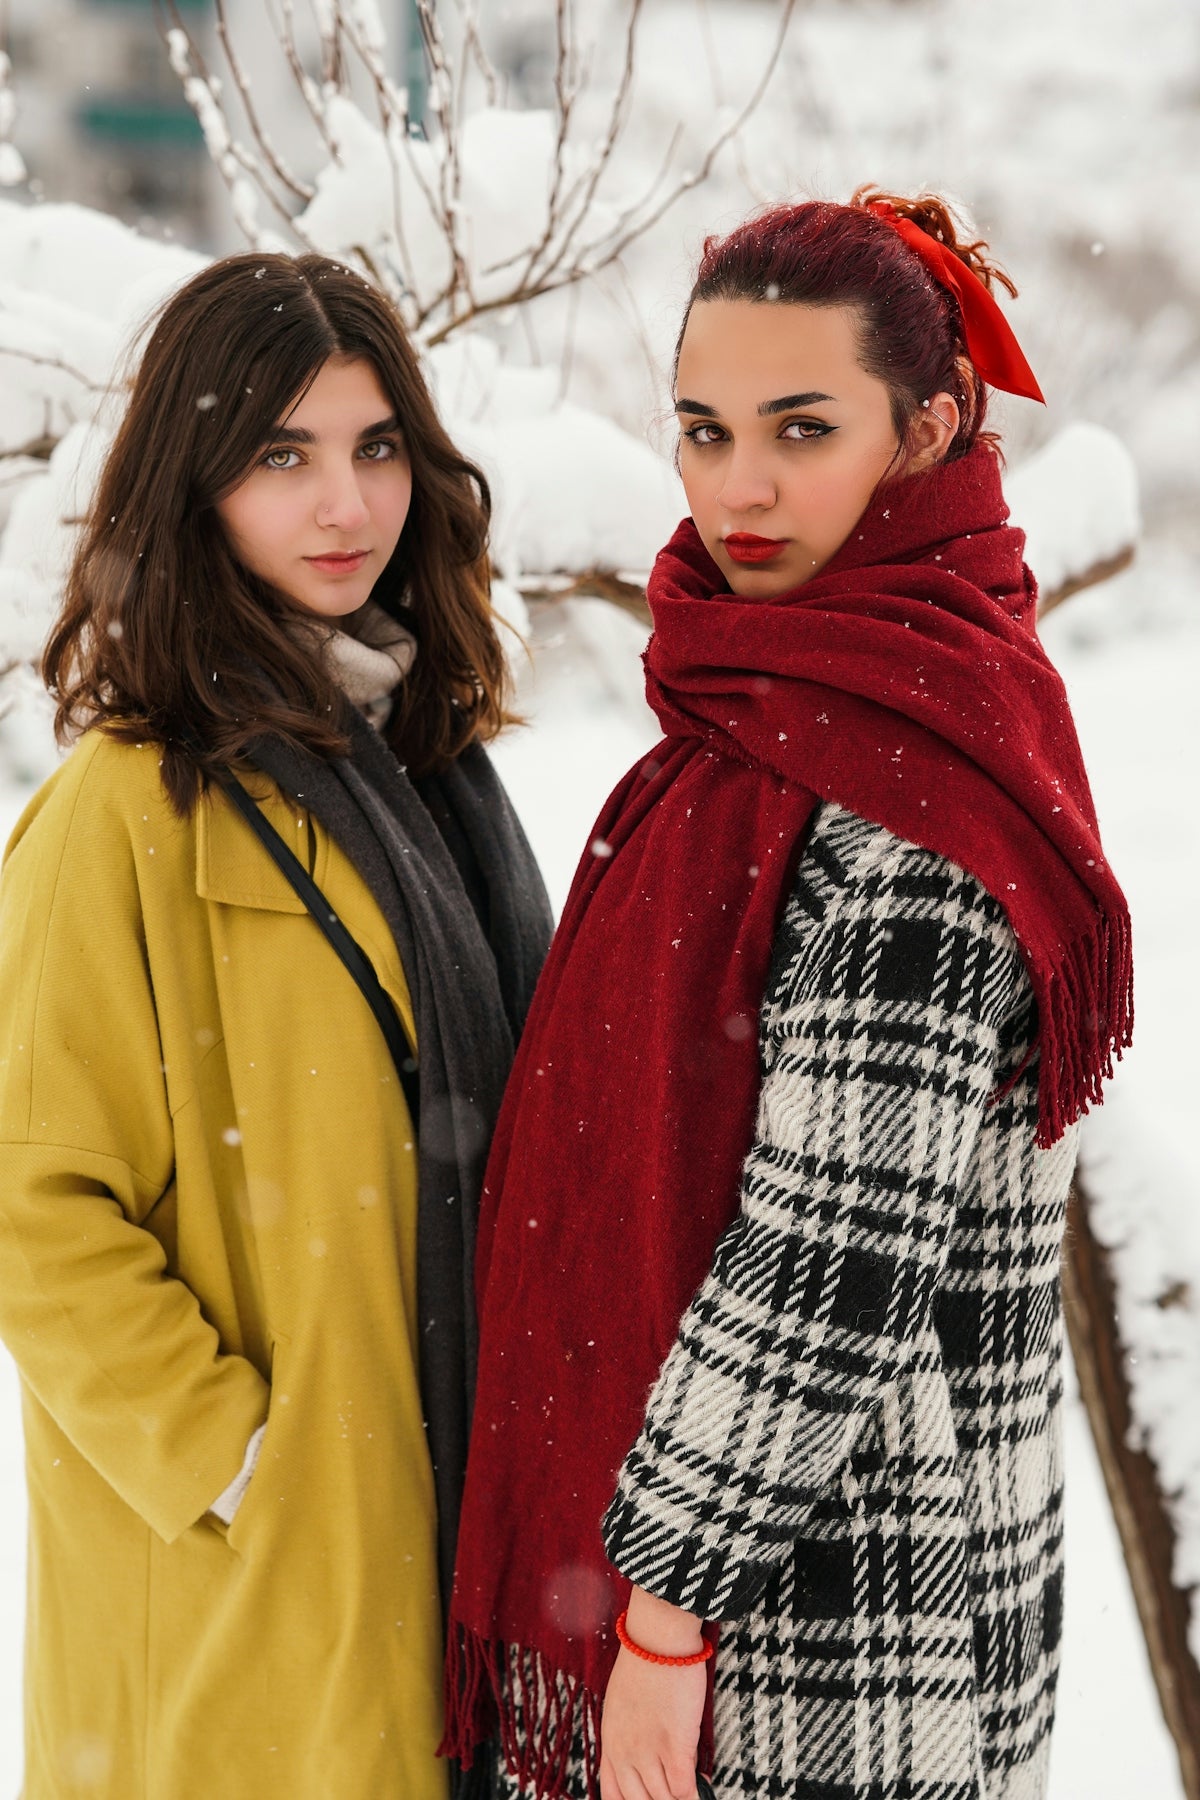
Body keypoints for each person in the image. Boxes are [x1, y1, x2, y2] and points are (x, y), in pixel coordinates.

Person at [442, 191, 1132, 1800]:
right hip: (816, 1576)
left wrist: (663, 1627)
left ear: (931, 426)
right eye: (702, 429)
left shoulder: (910, 779)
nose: (736, 488)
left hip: (814, 1623)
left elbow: (826, 1269)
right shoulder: (802, 704)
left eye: (800, 429)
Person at [0, 251, 552, 1799]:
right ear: (195, 484)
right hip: (249, 1593)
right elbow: (30, 1201)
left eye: (378, 447)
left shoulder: (434, 774)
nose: (345, 507)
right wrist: (240, 1458)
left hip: (436, 1540)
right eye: (282, 455)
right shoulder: (125, 808)